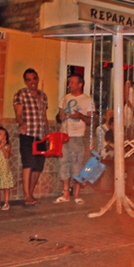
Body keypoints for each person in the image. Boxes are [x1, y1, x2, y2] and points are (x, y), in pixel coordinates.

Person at [55, 74, 94, 204]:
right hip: (64, 135)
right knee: (63, 163)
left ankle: (77, 194)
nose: (70, 85)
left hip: (78, 136)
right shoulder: (65, 98)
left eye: (72, 82)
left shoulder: (87, 100)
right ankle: (65, 193)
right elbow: (59, 115)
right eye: (69, 82)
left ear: (80, 84)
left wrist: (80, 116)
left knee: (77, 164)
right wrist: (62, 116)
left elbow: (91, 120)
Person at [13, 68, 48, 206]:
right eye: (29, 80)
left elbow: (44, 116)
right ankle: (26, 195)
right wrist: (21, 124)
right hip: (27, 134)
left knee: (38, 166)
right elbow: (18, 113)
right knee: (28, 163)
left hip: (41, 134)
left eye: (34, 78)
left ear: (37, 78)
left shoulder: (43, 96)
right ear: (25, 81)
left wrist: (48, 133)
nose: (32, 82)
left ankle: (31, 193)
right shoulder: (21, 94)